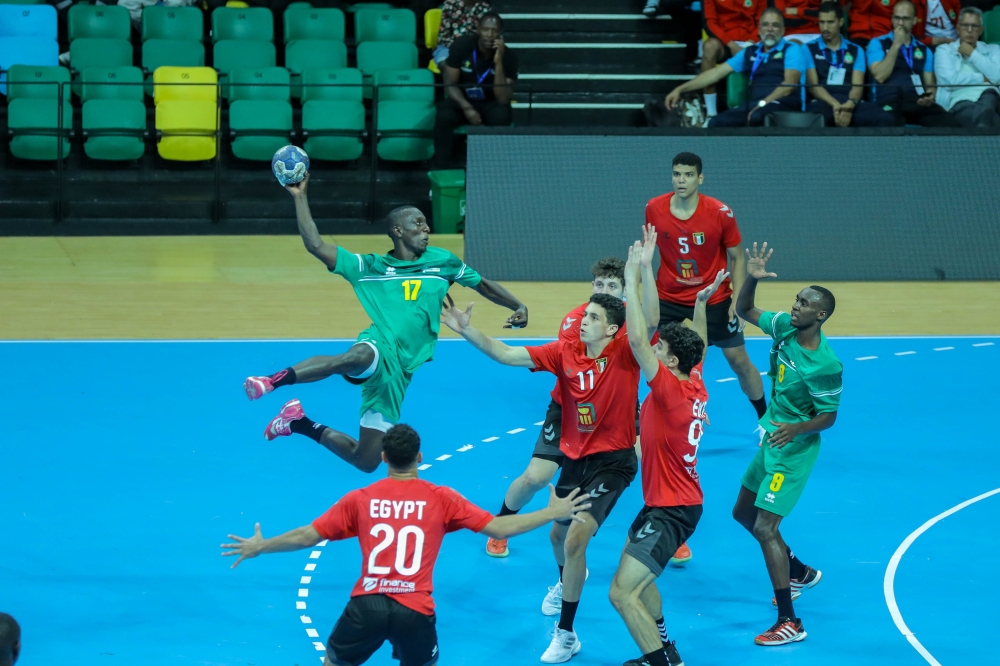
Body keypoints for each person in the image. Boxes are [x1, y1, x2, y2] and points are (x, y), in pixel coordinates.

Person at [441, 235, 660, 664]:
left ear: (612, 328)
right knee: (558, 533)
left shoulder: (627, 354)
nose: (584, 317)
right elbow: (505, 354)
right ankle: (565, 582)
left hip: (613, 463)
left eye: (594, 316)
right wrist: (467, 331)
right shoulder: (564, 352)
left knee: (576, 538)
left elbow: (649, 318)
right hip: (575, 458)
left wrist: (641, 270)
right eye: (587, 311)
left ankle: (567, 633)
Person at [222, 424, 591, 666]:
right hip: (414, 610)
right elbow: (498, 526)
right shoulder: (440, 498)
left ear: (383, 458)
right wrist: (551, 512)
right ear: (419, 457)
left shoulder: (361, 498)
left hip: (366, 605)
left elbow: (307, 535)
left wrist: (262, 546)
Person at [244, 174, 528, 473]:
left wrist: (517, 305)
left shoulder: (443, 261)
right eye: (417, 223)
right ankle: (272, 381)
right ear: (397, 231)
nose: (426, 228)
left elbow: (482, 284)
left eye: (425, 223)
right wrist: (299, 196)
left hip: (401, 371)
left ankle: (296, 422)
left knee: (365, 461)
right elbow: (315, 245)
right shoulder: (371, 267)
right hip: (381, 343)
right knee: (355, 357)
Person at [484, 255, 654, 558]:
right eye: (599, 283)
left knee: (649, 462)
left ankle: (662, 526)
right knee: (536, 478)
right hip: (571, 409)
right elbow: (575, 369)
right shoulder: (578, 321)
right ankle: (503, 522)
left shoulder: (632, 322)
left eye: (613, 285)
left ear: (625, 290)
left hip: (618, 407)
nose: (604, 289)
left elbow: (650, 329)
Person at [610, 254, 726, 666]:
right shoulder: (693, 380)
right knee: (636, 582)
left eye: (662, 349)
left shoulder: (671, 391)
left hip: (672, 510)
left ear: (671, 362)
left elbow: (639, 341)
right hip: (666, 502)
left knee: (620, 593)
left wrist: (630, 280)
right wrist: (700, 304)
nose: (653, 348)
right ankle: (666, 648)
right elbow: (701, 343)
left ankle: (658, 661)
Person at [733, 242, 843, 646]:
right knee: (743, 513)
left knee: (765, 526)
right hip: (772, 438)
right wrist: (752, 278)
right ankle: (798, 571)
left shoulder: (824, 364)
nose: (795, 306)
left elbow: (828, 417)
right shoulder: (783, 327)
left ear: (821, 315)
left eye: (804, 304)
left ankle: (789, 621)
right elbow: (744, 311)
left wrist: (796, 430)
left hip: (793, 450)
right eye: (796, 300)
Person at [645, 152, 768, 427]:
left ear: (700, 178)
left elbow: (736, 257)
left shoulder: (720, 212)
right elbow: (651, 251)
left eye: (688, 175)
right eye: (677, 174)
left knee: (738, 361)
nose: (681, 180)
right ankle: (673, 416)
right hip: (669, 298)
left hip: (713, 297)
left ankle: (765, 419)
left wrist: (737, 299)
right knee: (663, 361)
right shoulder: (654, 207)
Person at [665, 9, 806, 127]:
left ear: (783, 30)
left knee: (756, 116)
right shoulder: (751, 51)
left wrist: (762, 103)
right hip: (755, 105)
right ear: (759, 29)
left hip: (782, 103)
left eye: (775, 25)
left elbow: (789, 85)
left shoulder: (791, 49)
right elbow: (715, 74)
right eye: (765, 25)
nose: (770, 29)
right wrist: (680, 89)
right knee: (715, 123)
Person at [433, 12, 517, 168]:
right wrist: (467, 107)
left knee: (503, 114)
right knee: (444, 115)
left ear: (500, 33)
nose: (489, 35)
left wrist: (498, 64)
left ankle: (495, 169)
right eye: (485, 29)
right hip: (463, 100)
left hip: (490, 102)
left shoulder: (509, 56)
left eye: (494, 31)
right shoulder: (462, 46)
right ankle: (441, 169)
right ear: (478, 29)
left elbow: (503, 98)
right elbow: (450, 83)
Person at [867, 0, 961, 126]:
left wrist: (929, 97)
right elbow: (880, 76)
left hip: (917, 102)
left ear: (914, 21)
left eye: (905, 19)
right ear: (892, 19)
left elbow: (930, 85)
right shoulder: (877, 43)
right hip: (888, 101)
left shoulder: (924, 50)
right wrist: (896, 44)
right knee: (891, 125)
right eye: (897, 18)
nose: (900, 23)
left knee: (950, 125)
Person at [803, 2, 895, 126]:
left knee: (885, 119)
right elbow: (813, 86)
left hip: (850, 101)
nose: (825, 28)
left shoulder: (856, 50)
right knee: (815, 118)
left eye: (830, 22)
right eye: (822, 22)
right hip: (823, 101)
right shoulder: (808, 48)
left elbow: (857, 86)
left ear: (841, 22)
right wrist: (835, 104)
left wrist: (849, 105)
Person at [934, 7, 1000, 127]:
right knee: (988, 117)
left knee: (989, 95)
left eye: (974, 26)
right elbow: (949, 80)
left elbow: (996, 76)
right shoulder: (944, 50)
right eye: (965, 25)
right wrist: (982, 78)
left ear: (981, 30)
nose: (969, 30)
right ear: (958, 28)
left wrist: (972, 54)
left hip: (989, 97)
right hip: (959, 101)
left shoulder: (993, 50)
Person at [700, 0, 764, 120]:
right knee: (709, 48)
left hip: (753, 40)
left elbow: (763, 19)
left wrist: (749, 43)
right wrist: (731, 44)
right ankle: (711, 113)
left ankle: (762, 109)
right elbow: (710, 22)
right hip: (725, 41)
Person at [433, 0, 493, 67]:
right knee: (448, 66)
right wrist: (459, 49)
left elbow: (483, 36)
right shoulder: (450, 4)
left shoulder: (485, 8)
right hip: (448, 47)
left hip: (474, 50)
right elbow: (444, 37)